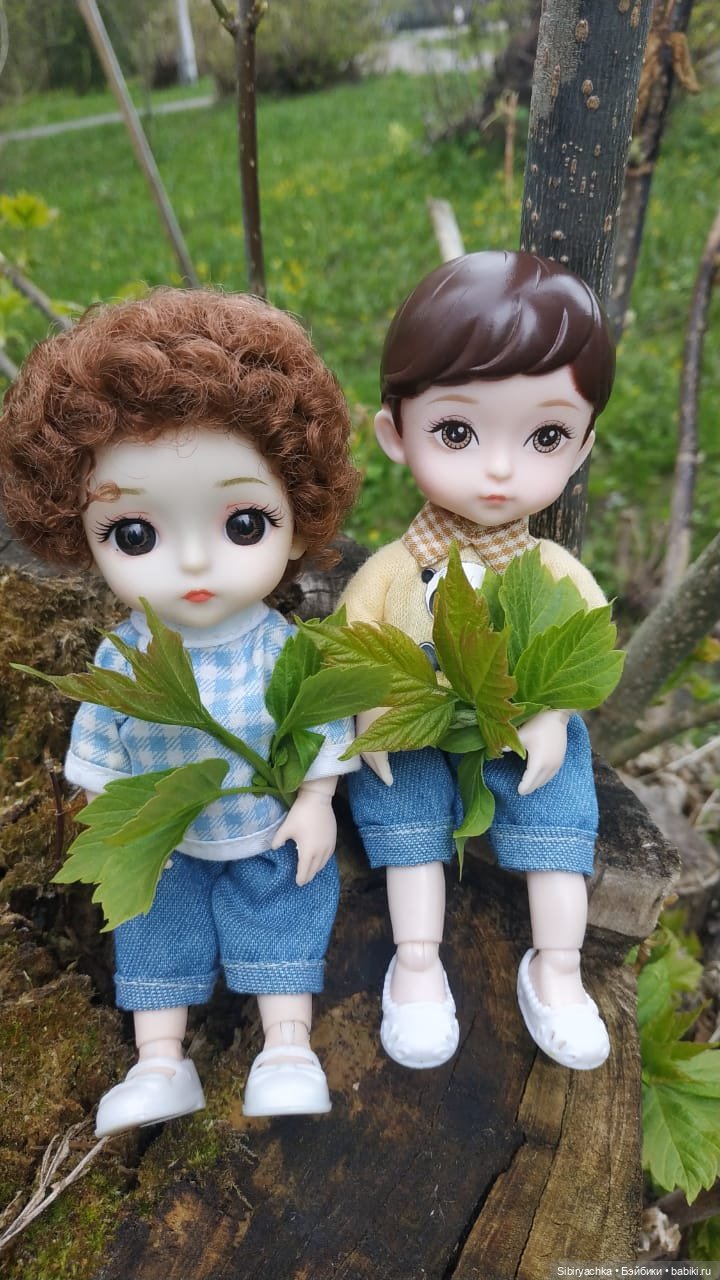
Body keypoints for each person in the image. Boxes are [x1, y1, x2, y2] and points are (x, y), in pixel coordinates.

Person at [0, 287, 361, 1132]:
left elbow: (315, 718)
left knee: (283, 914)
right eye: (136, 534)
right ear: (78, 533)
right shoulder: (125, 655)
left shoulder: (279, 645)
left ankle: (286, 1045)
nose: (194, 562)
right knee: (153, 930)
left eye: (244, 522)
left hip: (265, 826)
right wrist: (110, 821)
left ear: (297, 516)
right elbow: (102, 739)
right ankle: (160, 1059)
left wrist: (315, 798)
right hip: (165, 841)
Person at [342, 251, 616, 1072]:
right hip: (417, 723)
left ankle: (557, 969)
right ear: (395, 435)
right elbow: (357, 636)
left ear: (582, 447)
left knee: (557, 815)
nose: (499, 468)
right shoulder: (396, 570)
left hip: (520, 726)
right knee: (407, 818)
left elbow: (588, 645)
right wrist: (372, 710)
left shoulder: (550, 570)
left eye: (544, 436)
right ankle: (417, 964)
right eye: (456, 432)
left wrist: (554, 715)